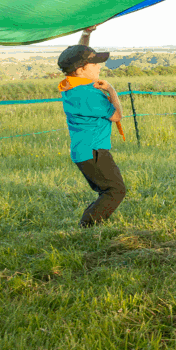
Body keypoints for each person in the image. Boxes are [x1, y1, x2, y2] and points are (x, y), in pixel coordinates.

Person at [57, 33, 126, 226]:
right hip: (94, 150)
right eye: (94, 63)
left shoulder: (71, 86)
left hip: (83, 151)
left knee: (107, 191)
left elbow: (76, 55)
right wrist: (111, 90)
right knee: (116, 191)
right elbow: (117, 116)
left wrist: (86, 35)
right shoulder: (89, 94)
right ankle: (87, 225)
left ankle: (91, 222)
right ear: (81, 69)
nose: (98, 66)